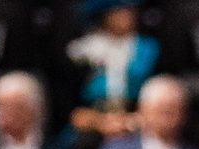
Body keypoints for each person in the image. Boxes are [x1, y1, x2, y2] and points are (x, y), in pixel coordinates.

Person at [66, 0, 157, 138]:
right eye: (117, 11)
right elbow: (72, 104)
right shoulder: (82, 51)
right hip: (91, 122)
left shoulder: (148, 49)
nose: (124, 16)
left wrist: (131, 120)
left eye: (128, 10)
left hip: (137, 119)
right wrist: (100, 123)